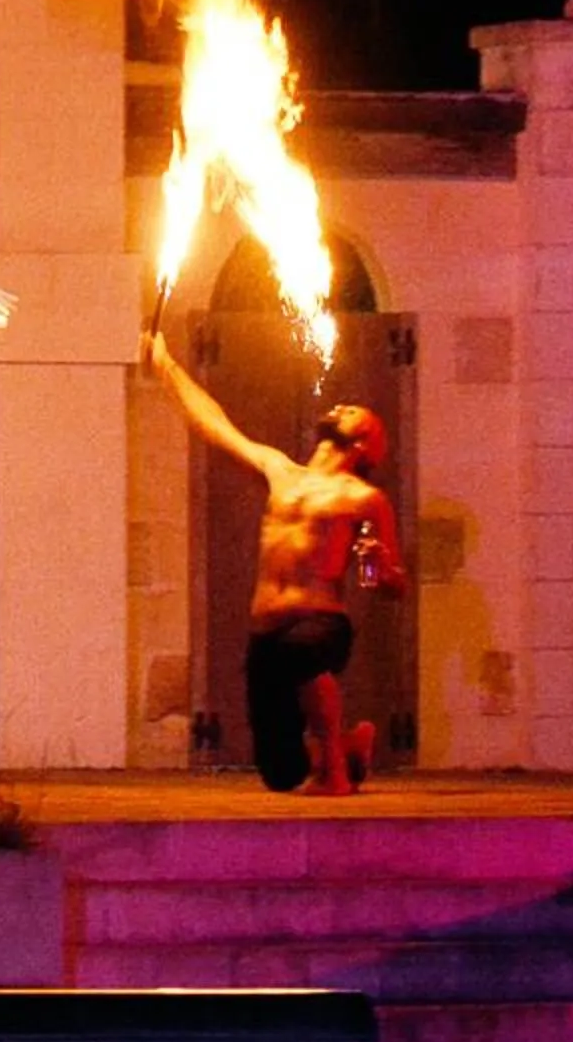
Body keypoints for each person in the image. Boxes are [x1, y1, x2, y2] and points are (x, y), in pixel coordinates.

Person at [145, 330, 407, 795]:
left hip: (320, 622)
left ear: (365, 445)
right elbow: (217, 426)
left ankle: (334, 773)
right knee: (281, 773)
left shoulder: (364, 499)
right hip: (266, 633)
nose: (342, 407)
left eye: (354, 412)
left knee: (299, 654)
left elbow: (389, 583)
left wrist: (379, 566)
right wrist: (167, 366)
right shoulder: (280, 471)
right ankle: (349, 746)